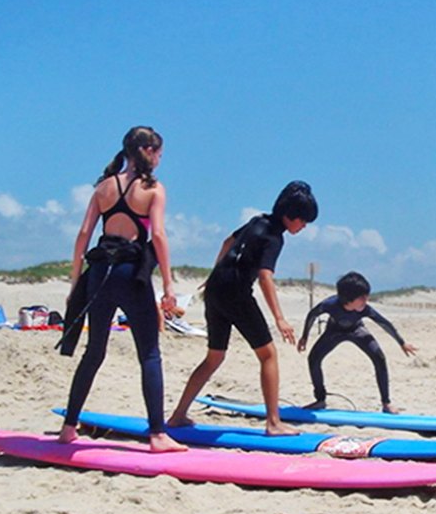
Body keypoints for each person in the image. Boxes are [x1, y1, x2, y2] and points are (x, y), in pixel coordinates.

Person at [58, 126, 185, 452]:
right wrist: (168, 285)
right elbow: (158, 236)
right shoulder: (153, 189)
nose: (159, 159)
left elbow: (83, 235)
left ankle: (69, 427)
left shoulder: (104, 186)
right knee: (150, 353)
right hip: (131, 273)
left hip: (99, 273)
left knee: (94, 352)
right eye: (158, 153)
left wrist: (75, 283)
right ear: (147, 151)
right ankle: (158, 434)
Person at [168, 181, 318, 435]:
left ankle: (178, 415)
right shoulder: (274, 237)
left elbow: (228, 242)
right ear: (290, 215)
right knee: (268, 354)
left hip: (215, 290)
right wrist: (280, 318)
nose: (303, 227)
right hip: (236, 294)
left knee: (214, 356)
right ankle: (273, 423)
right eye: (303, 221)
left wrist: (215, 273)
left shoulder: (256, 221)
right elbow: (265, 276)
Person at [297, 271, 417, 414]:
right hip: (334, 332)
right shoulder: (330, 304)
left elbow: (384, 323)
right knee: (313, 359)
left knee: (379, 358)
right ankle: (320, 399)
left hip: (357, 330)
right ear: (348, 298)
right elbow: (312, 315)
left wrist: (401, 343)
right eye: (362, 297)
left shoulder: (364, 309)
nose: (366, 300)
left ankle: (386, 403)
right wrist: (304, 337)